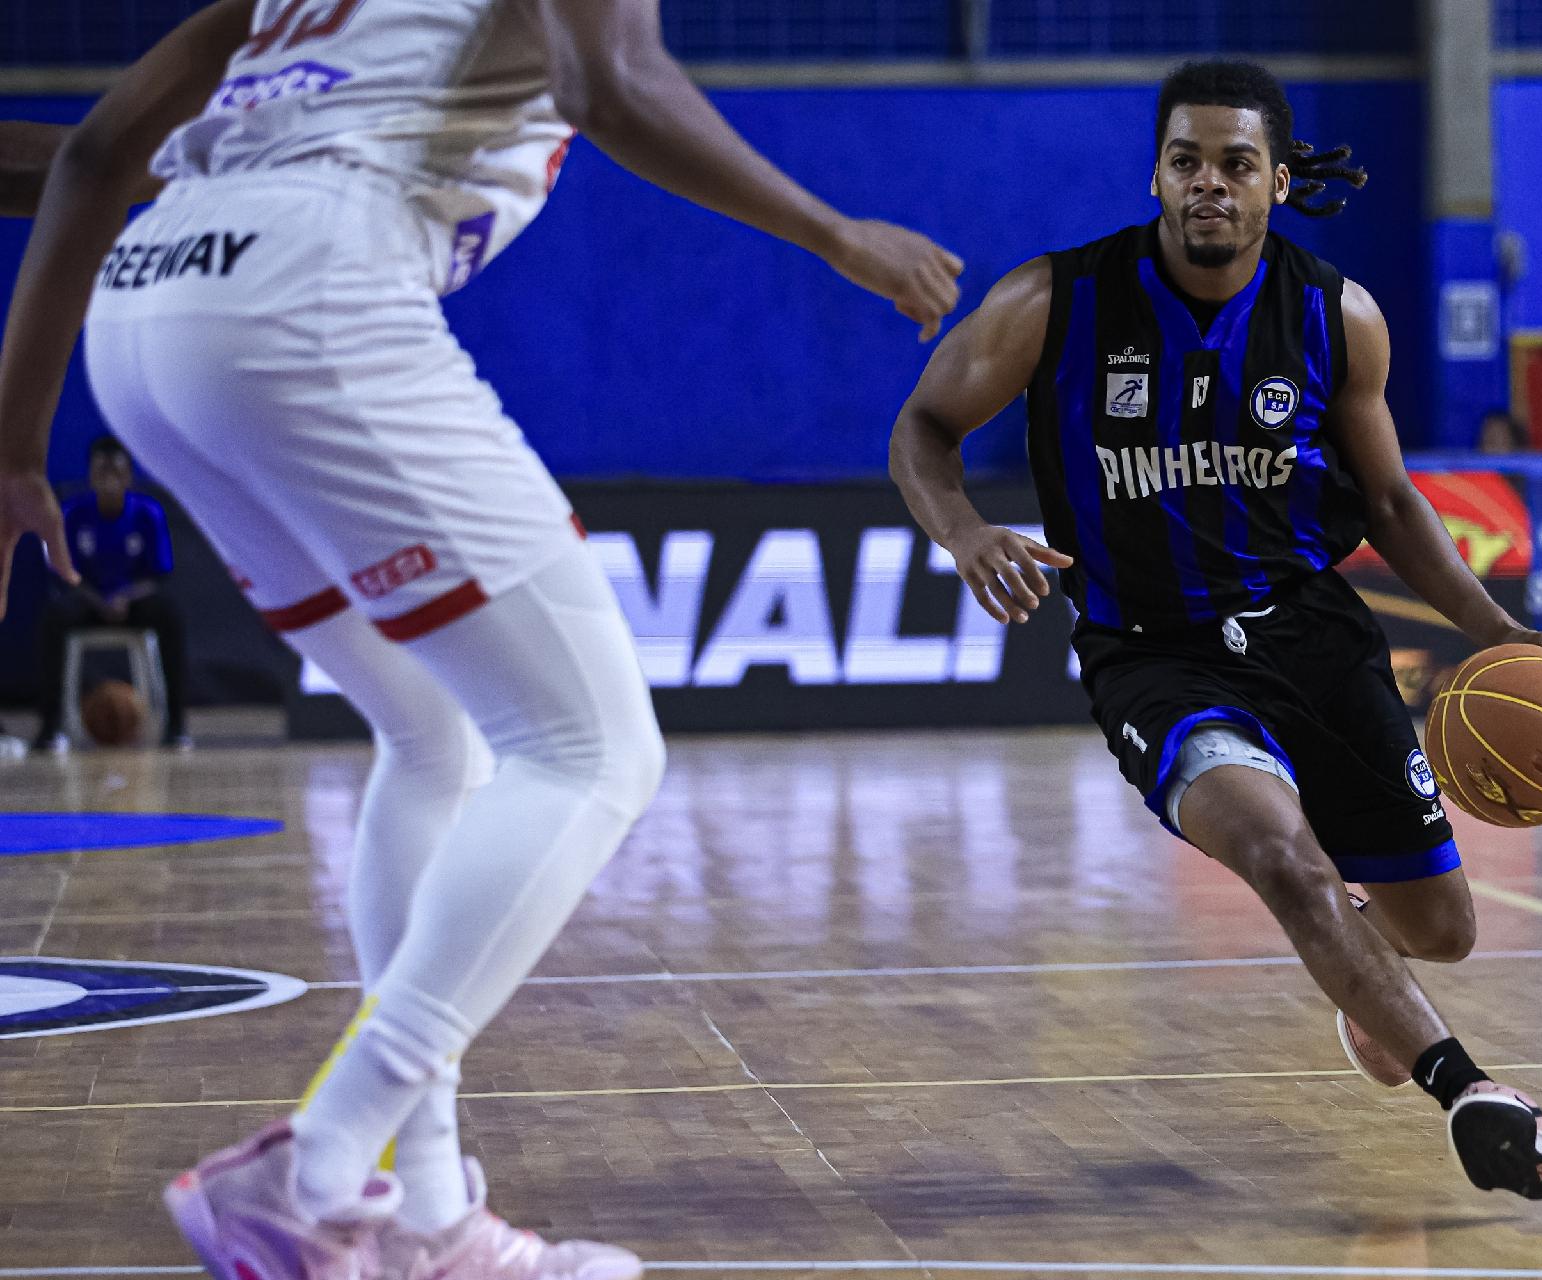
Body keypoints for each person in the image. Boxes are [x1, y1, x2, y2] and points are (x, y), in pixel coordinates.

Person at [0, 2, 962, 1277]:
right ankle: (319, 1162)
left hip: (151, 312)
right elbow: (612, 81)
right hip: (309, 288)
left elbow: (87, 157)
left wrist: (16, 442)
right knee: (595, 749)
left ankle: (426, 1218)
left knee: (430, 728)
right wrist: (835, 232)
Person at [889, 60, 1542, 1200]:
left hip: (1313, 632)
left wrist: (1500, 629)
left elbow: (1397, 505)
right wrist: (965, 533)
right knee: (1284, 860)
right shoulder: (1054, 302)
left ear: (1275, 181)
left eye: (1235, 163)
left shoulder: (1334, 314)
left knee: (1443, 925)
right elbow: (924, 425)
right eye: (1187, 161)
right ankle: (1471, 1088)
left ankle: (1370, 986)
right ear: (1155, 175)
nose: (1208, 183)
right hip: (1152, 651)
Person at [32, 434, 190, 750]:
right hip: (89, 600)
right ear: (90, 474)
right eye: (101, 470)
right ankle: (50, 728)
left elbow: (160, 574)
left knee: (170, 614)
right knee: (54, 617)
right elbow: (64, 572)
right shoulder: (73, 512)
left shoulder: (148, 512)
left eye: (116, 471)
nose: (109, 478)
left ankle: (176, 726)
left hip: (134, 602)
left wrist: (124, 598)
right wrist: (98, 600)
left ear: (128, 475)